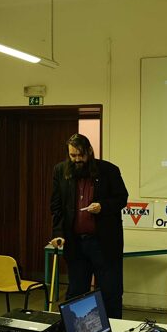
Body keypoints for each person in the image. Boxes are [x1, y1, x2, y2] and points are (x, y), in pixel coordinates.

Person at [50, 133, 128, 318]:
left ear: (90, 151)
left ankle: (113, 331)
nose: (77, 159)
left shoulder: (109, 170)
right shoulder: (60, 171)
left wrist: (103, 206)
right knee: (76, 294)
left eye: (81, 155)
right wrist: (58, 233)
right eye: (73, 155)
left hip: (104, 244)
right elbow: (56, 206)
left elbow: (121, 198)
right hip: (75, 244)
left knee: (110, 293)